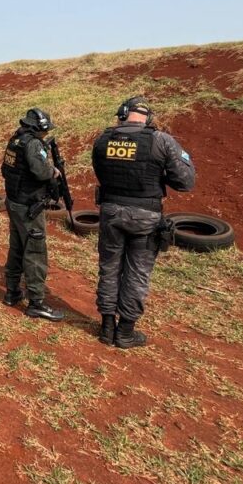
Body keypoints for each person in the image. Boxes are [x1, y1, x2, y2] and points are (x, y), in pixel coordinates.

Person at [92, 96, 196, 348]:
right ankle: (125, 331)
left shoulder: (103, 139)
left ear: (122, 113)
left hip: (111, 212)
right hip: (145, 215)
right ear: (147, 117)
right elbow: (185, 182)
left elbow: (101, 171)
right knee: (137, 273)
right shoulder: (161, 140)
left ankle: (107, 327)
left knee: (109, 268)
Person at [1, 108, 65, 321]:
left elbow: (6, 170)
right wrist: (53, 172)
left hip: (15, 201)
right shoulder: (33, 144)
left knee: (17, 247)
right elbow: (41, 171)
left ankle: (12, 292)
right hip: (28, 205)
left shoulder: (15, 140)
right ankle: (36, 302)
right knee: (35, 252)